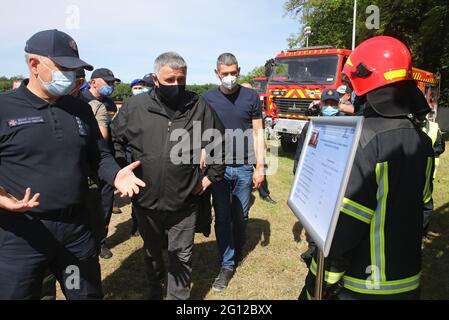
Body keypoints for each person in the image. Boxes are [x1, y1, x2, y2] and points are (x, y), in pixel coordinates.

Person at [0, 29, 145, 300]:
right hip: (21, 233)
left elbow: (99, 155)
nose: (71, 76)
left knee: (85, 294)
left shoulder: (80, 110)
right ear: (34, 64)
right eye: (63, 67)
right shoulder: (5, 108)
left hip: (75, 231)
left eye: (74, 69)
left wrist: (115, 175)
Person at [300, 36, 435, 300]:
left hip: (361, 285)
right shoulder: (423, 141)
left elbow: (347, 220)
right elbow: (425, 207)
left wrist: (321, 278)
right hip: (407, 280)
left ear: (364, 81)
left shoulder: (363, 139)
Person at [111, 52, 225, 300]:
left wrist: (209, 177)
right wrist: (121, 171)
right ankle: (155, 287)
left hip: (184, 203)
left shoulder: (197, 105)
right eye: (169, 80)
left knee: (181, 255)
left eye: (181, 80)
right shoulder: (135, 106)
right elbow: (114, 141)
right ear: (155, 78)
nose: (176, 85)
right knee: (152, 252)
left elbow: (219, 141)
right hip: (145, 201)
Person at [203, 53, 265, 292]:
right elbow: (202, 132)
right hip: (218, 167)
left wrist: (260, 166)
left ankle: (236, 247)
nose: (229, 77)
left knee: (242, 216)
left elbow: (258, 133)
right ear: (216, 73)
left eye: (233, 72)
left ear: (239, 70)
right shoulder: (207, 98)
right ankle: (227, 264)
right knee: (222, 216)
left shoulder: (251, 97)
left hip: (245, 167)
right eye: (224, 73)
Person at [293, 88, 343, 264]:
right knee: (314, 213)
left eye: (333, 103)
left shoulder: (346, 125)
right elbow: (301, 151)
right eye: (326, 103)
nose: (329, 106)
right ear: (320, 104)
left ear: (338, 105)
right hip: (314, 176)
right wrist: (297, 174)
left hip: (336, 178)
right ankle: (314, 247)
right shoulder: (312, 125)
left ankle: (333, 247)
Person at [81, 68, 122, 259]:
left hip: (108, 159)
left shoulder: (111, 103)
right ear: (94, 82)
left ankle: (101, 241)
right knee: (88, 204)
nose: (111, 86)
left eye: (113, 83)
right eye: (107, 82)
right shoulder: (81, 100)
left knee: (106, 203)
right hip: (88, 162)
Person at [240, 82, 276, 204]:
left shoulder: (254, 105)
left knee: (261, 168)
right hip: (240, 142)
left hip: (254, 142)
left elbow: (259, 128)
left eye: (250, 90)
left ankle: (264, 193)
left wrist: (263, 142)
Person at [416, 115, 445, 235]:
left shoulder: (434, 127)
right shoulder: (408, 126)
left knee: (425, 202)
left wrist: (427, 152)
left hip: (428, 173)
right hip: (412, 171)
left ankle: (422, 230)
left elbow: (440, 147)